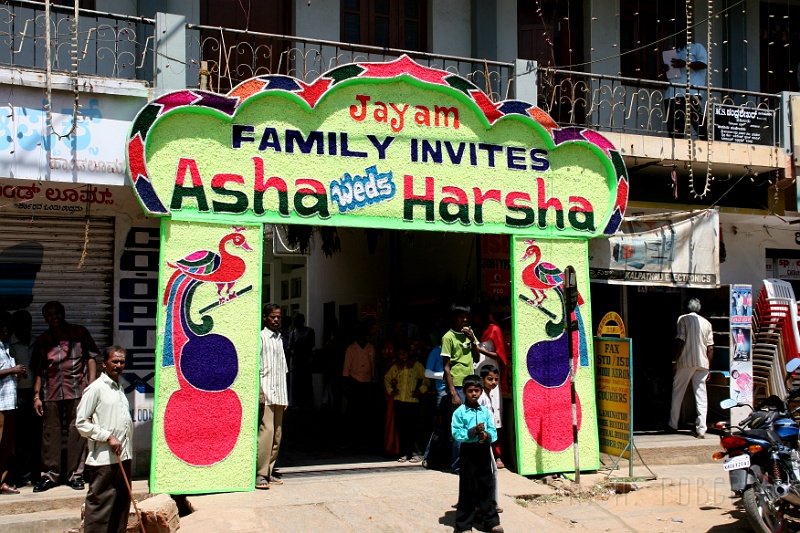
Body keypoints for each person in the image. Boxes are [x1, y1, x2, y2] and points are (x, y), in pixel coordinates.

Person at [31, 301, 99, 492]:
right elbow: (38, 368)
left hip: (78, 390)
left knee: (76, 433)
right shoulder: (43, 340)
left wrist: (92, 385)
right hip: (50, 392)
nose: (54, 317)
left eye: (57, 313)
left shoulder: (79, 333)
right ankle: (49, 476)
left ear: (63, 313)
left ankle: (75, 475)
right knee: (50, 435)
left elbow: (91, 357)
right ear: (45, 318)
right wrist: (36, 395)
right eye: (50, 314)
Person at [75, 346, 133, 533]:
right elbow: (81, 423)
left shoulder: (119, 388)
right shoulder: (96, 389)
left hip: (123, 457)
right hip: (103, 460)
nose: (118, 365)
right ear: (104, 364)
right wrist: (108, 436)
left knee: (121, 505)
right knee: (100, 506)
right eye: (114, 361)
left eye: (121, 362)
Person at [451, 374, 502, 533]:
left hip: (483, 451)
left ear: (481, 392)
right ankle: (464, 524)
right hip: (468, 452)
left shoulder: (485, 412)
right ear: (465, 392)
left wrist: (486, 435)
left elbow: (493, 431)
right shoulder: (459, 412)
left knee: (486, 486)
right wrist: (472, 432)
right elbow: (456, 433)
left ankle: (491, 522)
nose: (474, 394)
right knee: (467, 487)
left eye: (477, 391)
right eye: (470, 391)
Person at [668, 298, 714, 438]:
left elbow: (680, 340)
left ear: (686, 307)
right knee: (701, 396)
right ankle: (701, 429)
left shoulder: (683, 319)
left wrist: (674, 361)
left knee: (678, 391)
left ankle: (673, 424)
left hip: (686, 362)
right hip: (702, 363)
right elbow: (710, 348)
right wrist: (709, 368)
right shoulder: (707, 323)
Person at [442, 303, 479, 472]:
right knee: (459, 425)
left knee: (473, 423)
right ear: (454, 318)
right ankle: (458, 466)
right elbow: (446, 367)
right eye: (461, 316)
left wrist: (472, 340)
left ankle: (469, 463)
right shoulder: (448, 337)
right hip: (457, 385)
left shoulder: (469, 333)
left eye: (466, 316)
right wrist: (453, 393)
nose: (464, 319)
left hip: (471, 384)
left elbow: (477, 357)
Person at [257, 303, 289, 490]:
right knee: (266, 432)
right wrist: (260, 392)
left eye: (279, 317)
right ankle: (260, 473)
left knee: (277, 434)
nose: (276, 320)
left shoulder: (279, 339)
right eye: (273, 317)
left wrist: (285, 397)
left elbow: (282, 369)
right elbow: (257, 368)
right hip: (267, 393)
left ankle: (270, 470)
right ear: (265, 318)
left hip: (279, 394)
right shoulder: (261, 338)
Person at [472, 306, 507, 468]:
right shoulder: (473, 333)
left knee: (494, 415)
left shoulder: (494, 330)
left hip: (492, 377)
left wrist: (481, 350)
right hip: (478, 375)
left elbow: (500, 356)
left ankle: (497, 454)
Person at [9, 310, 39, 489]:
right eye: (20, 323)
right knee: (16, 439)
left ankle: (28, 475)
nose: (24, 327)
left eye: (27, 323)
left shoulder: (36, 341)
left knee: (32, 437)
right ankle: (13, 476)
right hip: (15, 396)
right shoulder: (8, 344)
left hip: (33, 395)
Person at [384, 342, 428, 462]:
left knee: (413, 428)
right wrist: (391, 390)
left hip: (412, 401)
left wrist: (420, 390)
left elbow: (427, 378)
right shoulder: (396, 366)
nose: (403, 356)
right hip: (399, 401)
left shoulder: (416, 365)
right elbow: (387, 378)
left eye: (405, 353)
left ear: (409, 353)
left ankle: (416, 453)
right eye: (400, 354)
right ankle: (405, 453)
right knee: (402, 429)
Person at [0, 311, 26, 494]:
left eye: (8, 327)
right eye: (3, 327)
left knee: (7, 446)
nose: (6, 331)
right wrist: (12, 370)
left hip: (10, 403)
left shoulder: (6, 348)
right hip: (0, 405)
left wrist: (17, 373)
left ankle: (1, 481)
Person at [662, 35, 708, 139]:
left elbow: (703, 64)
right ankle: (675, 151)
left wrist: (685, 64)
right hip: (673, 94)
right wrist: (666, 69)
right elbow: (668, 76)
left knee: (698, 122)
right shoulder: (674, 52)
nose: (677, 39)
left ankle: (710, 145)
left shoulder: (696, 47)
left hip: (691, 93)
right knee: (675, 128)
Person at [342, 322, 376, 449]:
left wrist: (372, 380)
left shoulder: (371, 348)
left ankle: (364, 439)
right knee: (353, 412)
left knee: (366, 412)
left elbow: (372, 366)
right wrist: (346, 384)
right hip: (354, 382)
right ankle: (351, 439)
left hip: (367, 382)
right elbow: (346, 367)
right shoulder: (351, 348)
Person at [478, 364, 502, 513]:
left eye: (496, 379)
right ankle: (489, 503)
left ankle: (490, 501)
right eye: (490, 379)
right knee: (488, 472)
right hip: (482, 439)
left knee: (490, 472)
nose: (493, 382)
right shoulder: (481, 397)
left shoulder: (487, 396)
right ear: (482, 379)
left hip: (487, 438)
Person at [288, 313, 315, 408]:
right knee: (295, 385)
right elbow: (289, 348)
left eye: (298, 320)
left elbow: (311, 344)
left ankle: (306, 404)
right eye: (295, 320)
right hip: (295, 364)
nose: (296, 322)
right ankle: (295, 404)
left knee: (306, 385)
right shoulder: (292, 333)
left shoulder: (309, 331)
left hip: (305, 363)